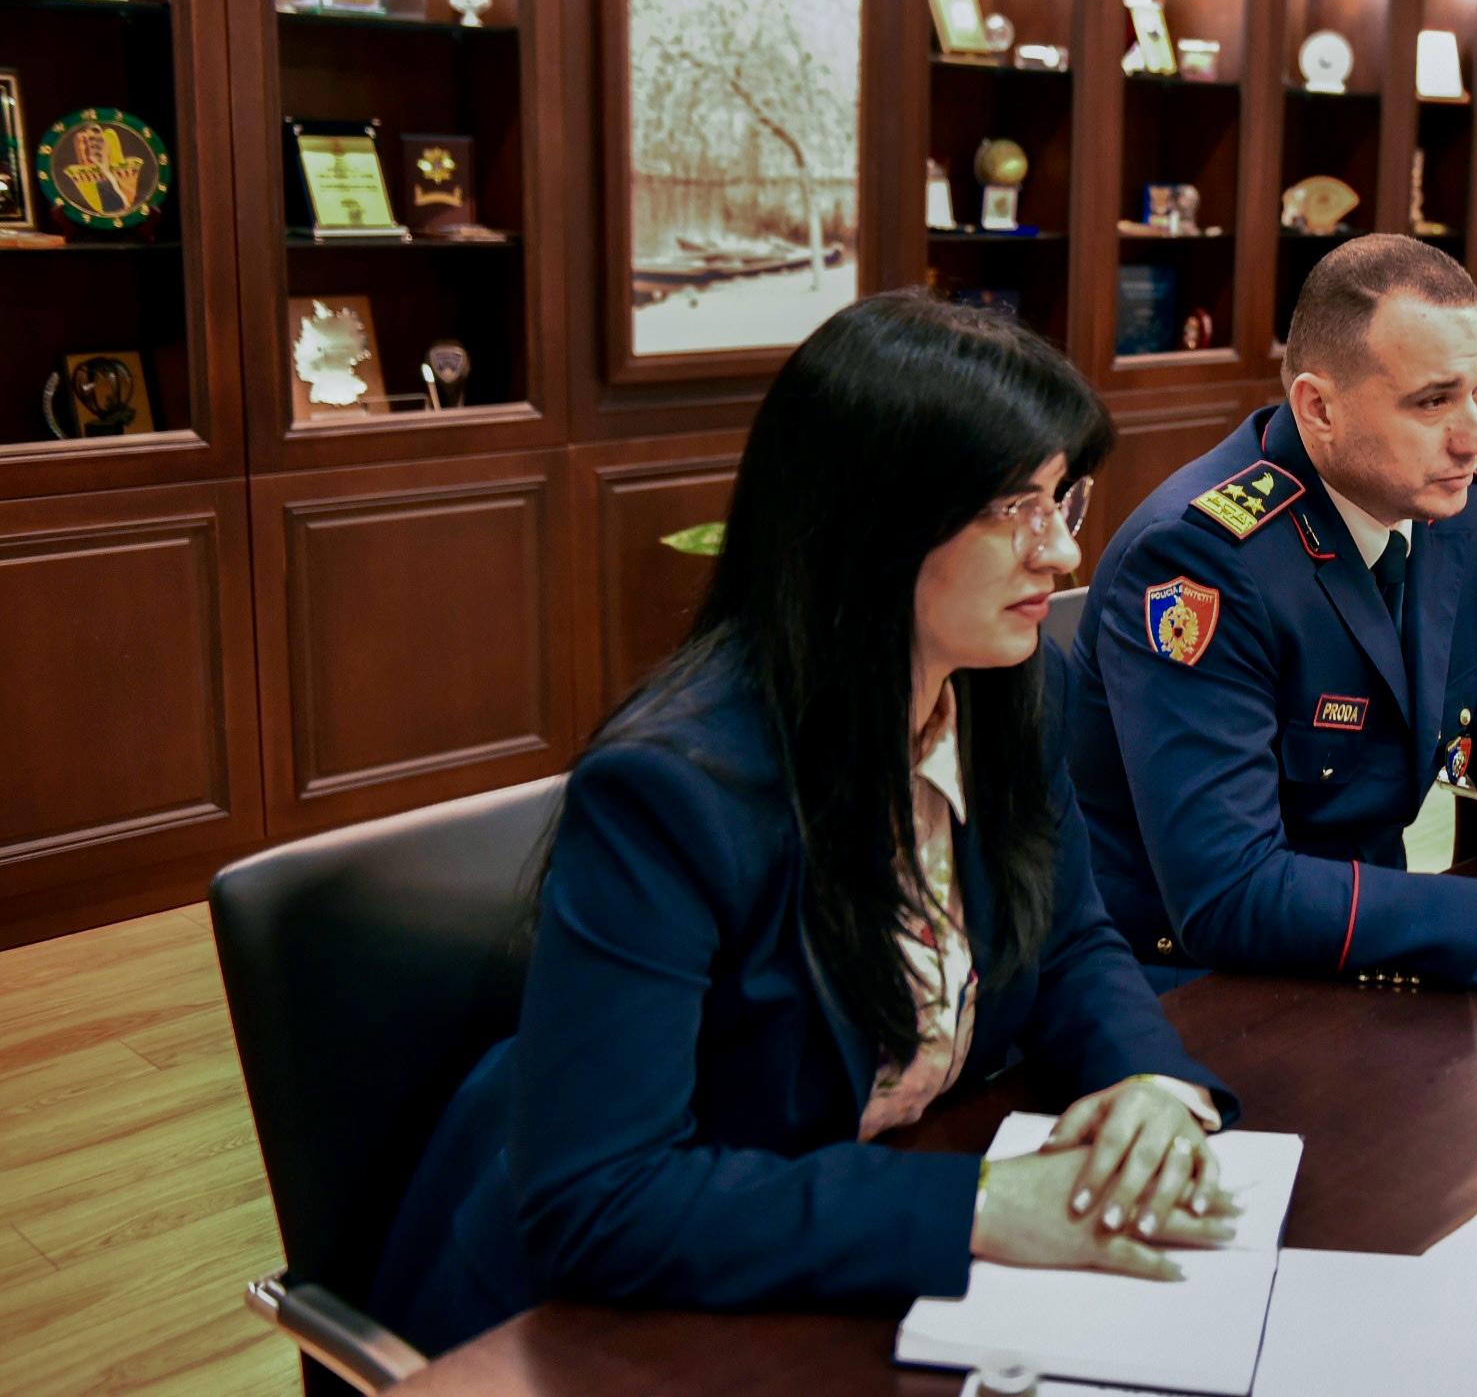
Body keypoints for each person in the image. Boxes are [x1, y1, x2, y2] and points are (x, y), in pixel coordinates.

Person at [372, 295, 1241, 1357]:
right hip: (597, 1317)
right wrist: (980, 1206)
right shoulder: (670, 790)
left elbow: (1065, 938)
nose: (1060, 550)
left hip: (831, 1241)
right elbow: (603, 1196)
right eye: (1015, 506)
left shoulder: (1016, 689)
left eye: (1063, 498)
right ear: (872, 525)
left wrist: (1146, 1080)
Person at [1064, 236, 1477, 990]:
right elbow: (1228, 894)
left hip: (1373, 938)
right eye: (1434, 401)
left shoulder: (1467, 515)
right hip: (1190, 979)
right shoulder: (1200, 560)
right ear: (1318, 408)